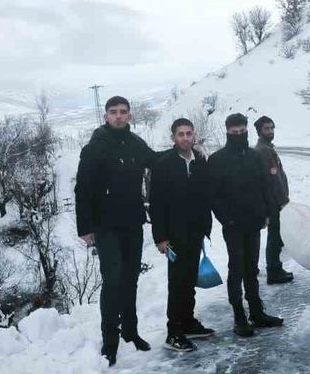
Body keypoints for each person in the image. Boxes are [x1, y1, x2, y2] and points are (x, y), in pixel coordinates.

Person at [74, 96, 156, 366]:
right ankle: (110, 341)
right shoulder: (95, 147)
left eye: (123, 112)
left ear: (129, 116)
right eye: (113, 112)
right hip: (105, 225)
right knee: (112, 280)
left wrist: (187, 151)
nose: (118, 116)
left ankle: (130, 332)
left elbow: (157, 161)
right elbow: (82, 189)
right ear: (106, 116)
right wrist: (85, 227)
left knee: (131, 279)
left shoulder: (135, 143)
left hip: (132, 222)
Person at [209, 113, 284, 337]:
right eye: (234, 133)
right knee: (237, 268)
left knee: (252, 267)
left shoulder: (254, 156)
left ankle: (256, 312)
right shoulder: (217, 160)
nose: (239, 135)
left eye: (242, 132)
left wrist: (267, 213)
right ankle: (239, 316)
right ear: (227, 132)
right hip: (233, 224)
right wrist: (226, 218)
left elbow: (265, 186)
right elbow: (214, 196)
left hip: (254, 220)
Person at [149, 118, 215, 352]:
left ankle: (187, 322)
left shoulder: (200, 161)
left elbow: (206, 193)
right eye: (181, 134)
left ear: (194, 135)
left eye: (189, 133)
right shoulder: (163, 164)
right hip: (174, 234)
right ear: (173, 138)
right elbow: (156, 204)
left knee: (189, 280)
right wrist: (160, 237)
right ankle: (173, 332)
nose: (186, 138)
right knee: (177, 283)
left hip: (195, 231)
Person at [253, 115, 294, 285]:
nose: (270, 131)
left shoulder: (267, 148)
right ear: (259, 131)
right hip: (273, 202)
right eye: (266, 129)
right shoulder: (264, 151)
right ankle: (274, 271)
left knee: (276, 236)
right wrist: (282, 201)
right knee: (275, 237)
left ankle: (275, 268)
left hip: (274, 201)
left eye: (271, 128)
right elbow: (273, 180)